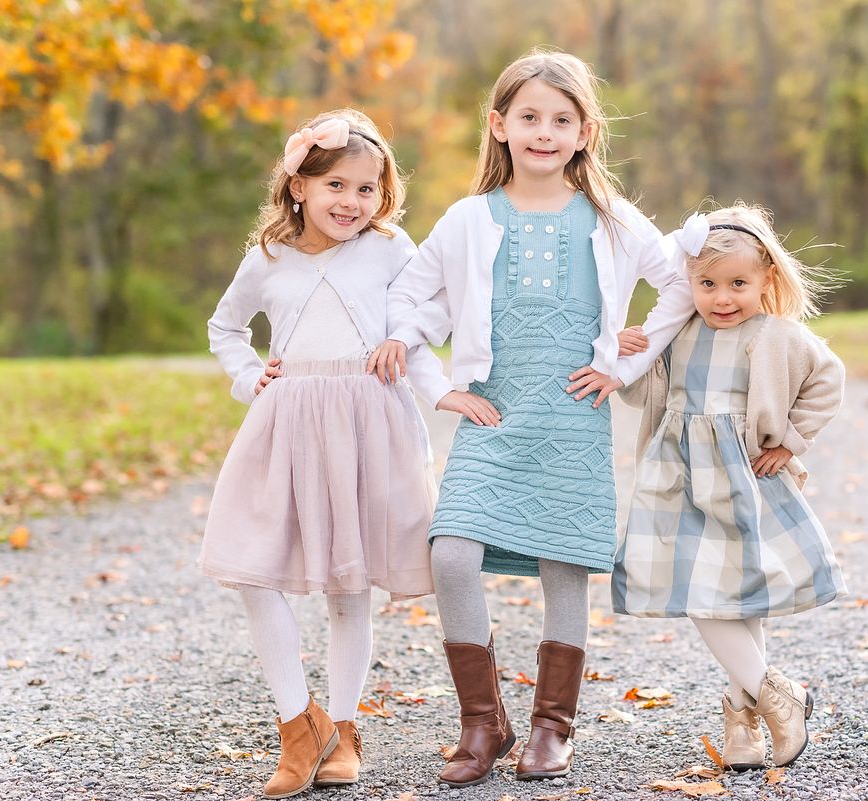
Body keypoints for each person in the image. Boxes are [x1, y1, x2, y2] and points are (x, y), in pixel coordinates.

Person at [374, 49, 694, 786]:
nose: (544, 132)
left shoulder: (609, 219)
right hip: (494, 416)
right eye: (529, 118)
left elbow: (678, 283)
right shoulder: (467, 219)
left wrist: (623, 363)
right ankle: (483, 722)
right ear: (499, 125)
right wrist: (435, 383)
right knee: (452, 553)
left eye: (560, 119)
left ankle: (553, 727)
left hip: (573, 417)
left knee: (561, 566)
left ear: (585, 131)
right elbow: (408, 303)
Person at [200, 109, 452, 799]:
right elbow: (226, 325)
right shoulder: (268, 258)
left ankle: (342, 728)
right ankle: (296, 723)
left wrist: (402, 335)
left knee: (350, 581)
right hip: (288, 419)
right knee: (252, 568)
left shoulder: (392, 248)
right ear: (299, 186)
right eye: (337, 185)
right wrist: (249, 375)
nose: (352, 202)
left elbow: (432, 304)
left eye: (367, 189)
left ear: (385, 196)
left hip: (369, 417)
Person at [612, 203, 846, 770]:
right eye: (707, 283)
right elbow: (641, 397)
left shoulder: (775, 335)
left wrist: (788, 442)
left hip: (744, 474)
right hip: (680, 477)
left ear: (766, 277)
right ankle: (774, 697)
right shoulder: (677, 331)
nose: (722, 297)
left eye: (738, 284)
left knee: (737, 594)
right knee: (702, 590)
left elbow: (828, 380)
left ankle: (746, 718)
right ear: (688, 281)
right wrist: (632, 355)